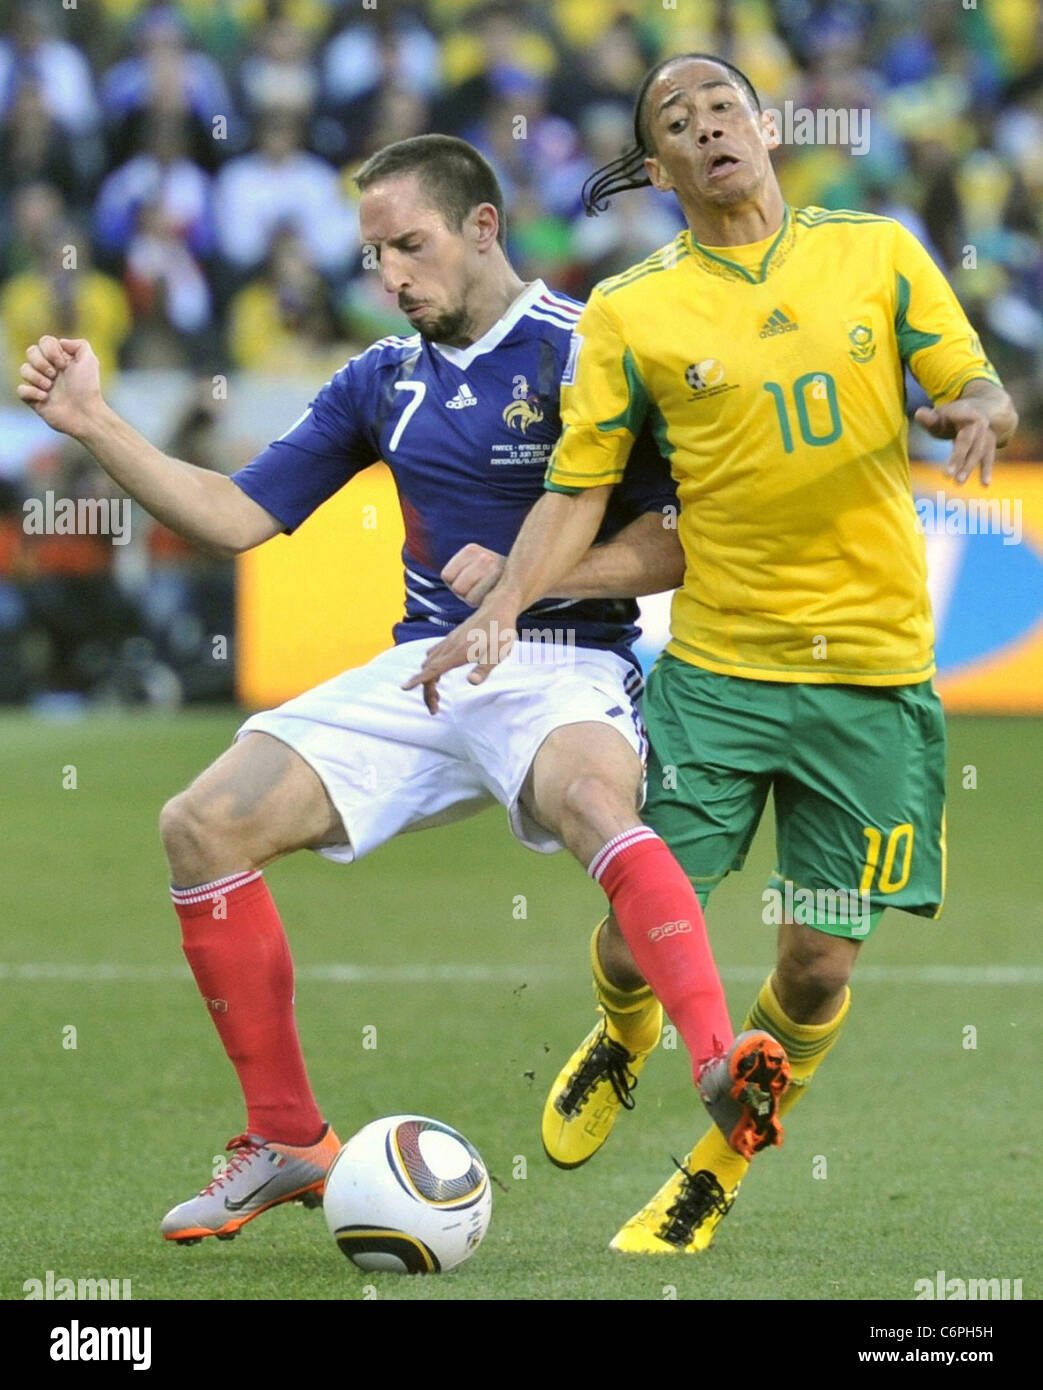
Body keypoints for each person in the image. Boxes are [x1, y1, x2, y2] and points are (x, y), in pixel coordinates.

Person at [17, 134, 785, 1248]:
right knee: (199, 826)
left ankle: (718, 1059)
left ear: (483, 227)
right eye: (373, 254)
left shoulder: (588, 350)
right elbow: (236, 518)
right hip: (424, 669)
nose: (389, 275)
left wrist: (528, 581)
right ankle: (286, 1139)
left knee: (591, 802)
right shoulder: (380, 379)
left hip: (561, 661)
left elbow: (674, 545)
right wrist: (95, 423)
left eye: (408, 246)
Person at [408, 57, 1018, 1254]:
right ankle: (624, 1030)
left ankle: (711, 1170)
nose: (706, 128)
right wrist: (507, 602)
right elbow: (579, 490)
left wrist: (983, 407)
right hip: (720, 674)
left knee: (813, 961)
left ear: (766, 126)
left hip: (874, 683)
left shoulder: (878, 252)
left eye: (722, 108)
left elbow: (966, 372)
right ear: (655, 169)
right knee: (640, 922)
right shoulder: (632, 311)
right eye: (675, 122)